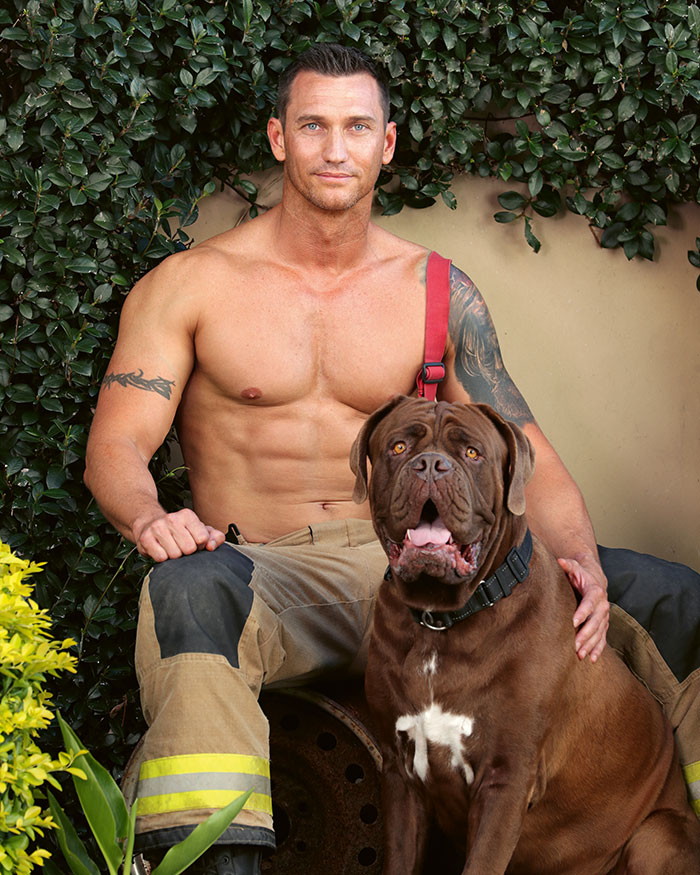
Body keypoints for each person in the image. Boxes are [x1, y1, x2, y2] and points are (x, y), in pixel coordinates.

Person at [84, 44, 700, 875]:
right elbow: (116, 443)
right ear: (278, 138)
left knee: (671, 597)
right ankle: (211, 863)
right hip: (274, 574)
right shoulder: (191, 284)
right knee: (188, 591)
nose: (335, 149)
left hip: (415, 563)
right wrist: (149, 516)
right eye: (313, 126)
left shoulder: (435, 289)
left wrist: (582, 564)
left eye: (356, 127)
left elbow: (530, 452)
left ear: (388, 143)